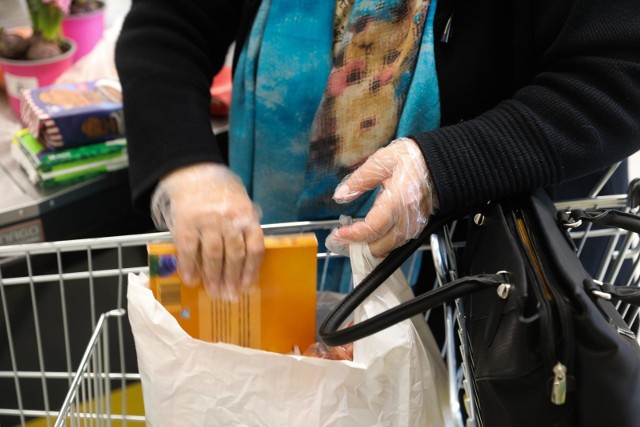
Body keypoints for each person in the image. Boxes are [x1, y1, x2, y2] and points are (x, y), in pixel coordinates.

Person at [115, 0, 640, 301]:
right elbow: (166, 29)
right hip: (269, 268)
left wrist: (444, 166)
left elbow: (620, 71)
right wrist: (186, 166)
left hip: (487, 290)